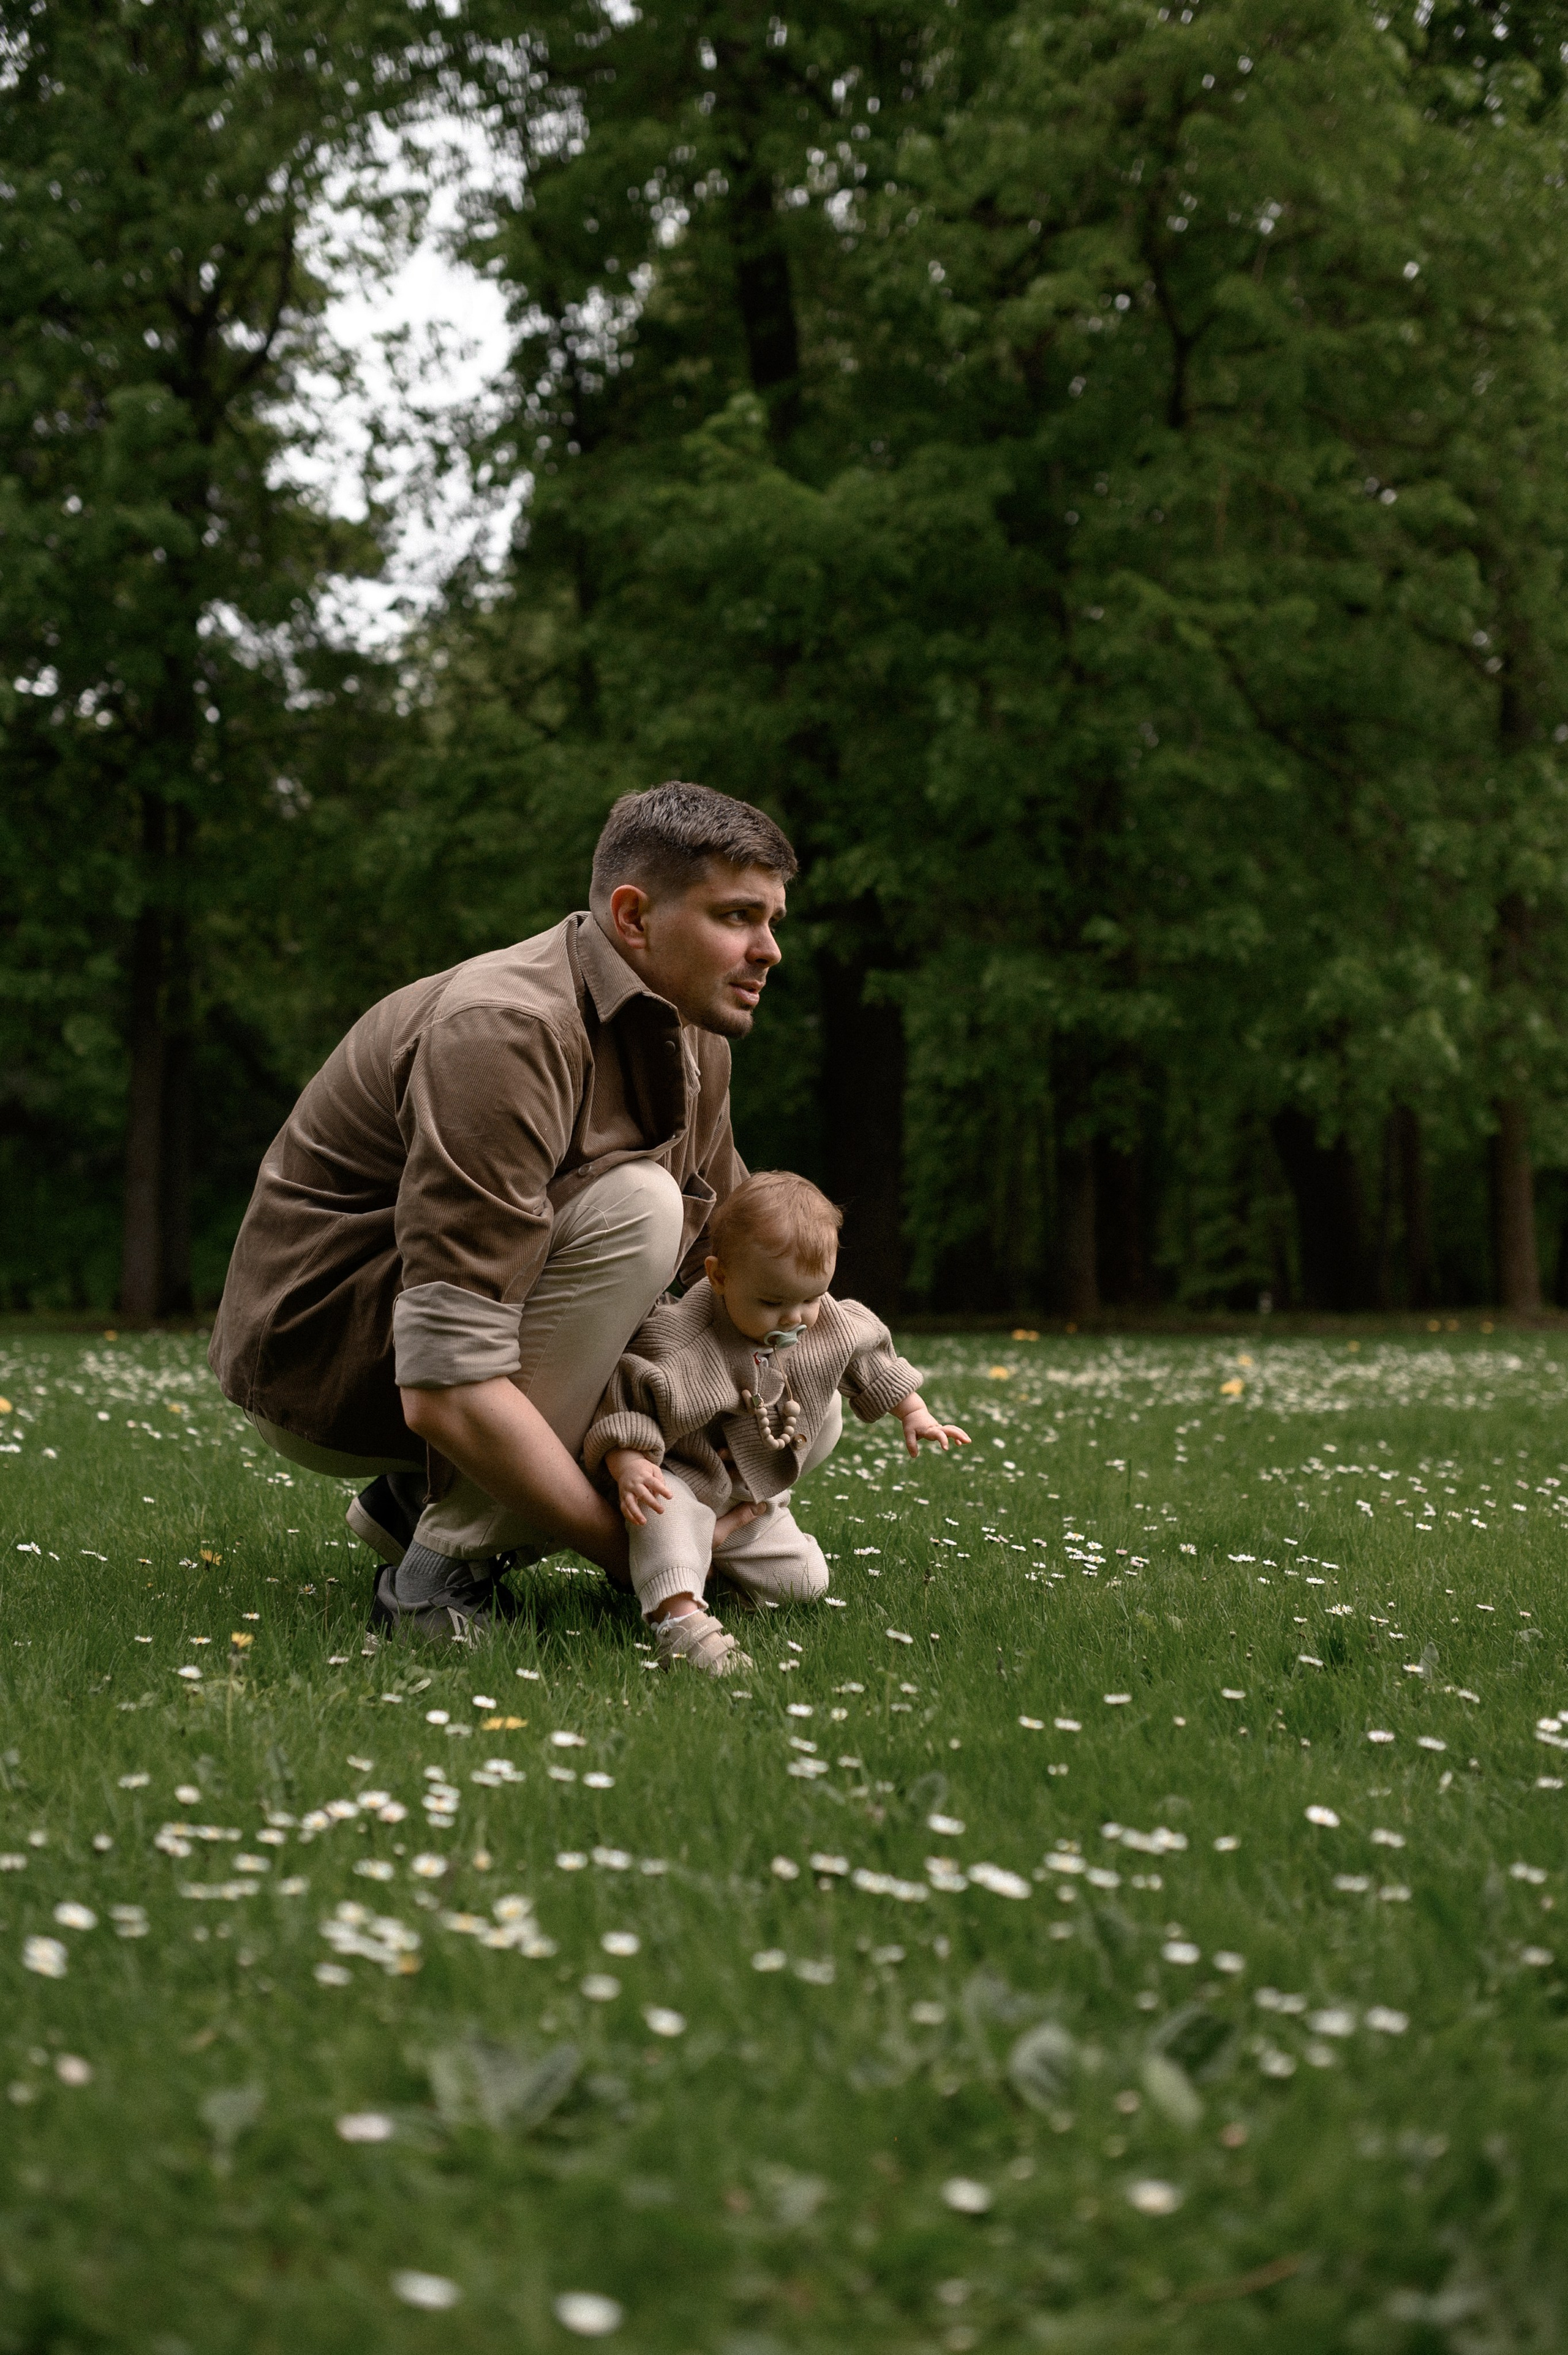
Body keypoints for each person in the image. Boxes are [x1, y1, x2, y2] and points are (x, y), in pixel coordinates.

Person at [208, 781, 794, 1640]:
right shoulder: (506, 1029)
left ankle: (417, 1501)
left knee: (791, 1380)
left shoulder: (691, 1026)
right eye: (738, 917)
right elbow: (445, 1380)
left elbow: (737, 1258)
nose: (769, 950)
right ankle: (436, 1573)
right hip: (337, 1362)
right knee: (642, 1208)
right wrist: (646, 1560)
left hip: (483, 1346)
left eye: (773, 920)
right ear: (634, 917)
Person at [582, 1170, 970, 1675]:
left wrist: (914, 1413)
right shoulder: (678, 1342)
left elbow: (869, 1357)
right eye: (772, 1303)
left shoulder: (823, 1321)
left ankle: (714, 1572)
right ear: (719, 1277)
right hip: (680, 1477)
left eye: (811, 1298)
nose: (795, 1319)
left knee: (805, 1581)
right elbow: (626, 1403)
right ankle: (678, 1621)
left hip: (745, 1497)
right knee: (666, 1515)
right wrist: (631, 1464)